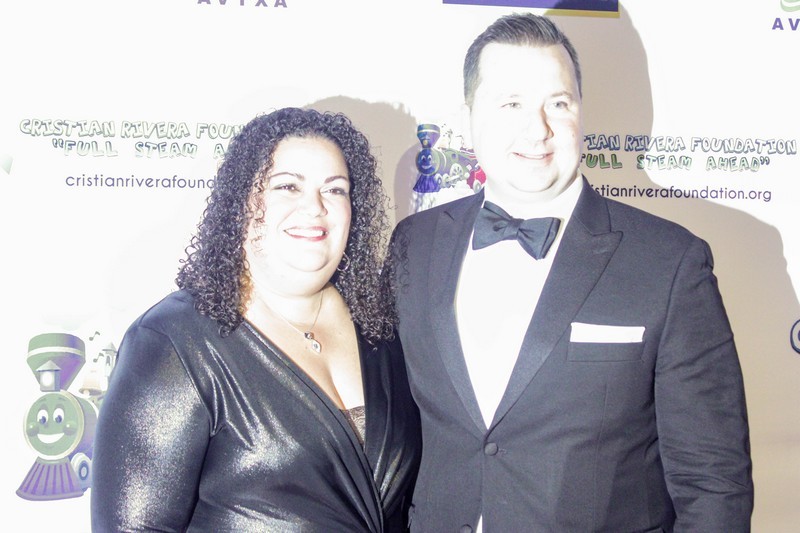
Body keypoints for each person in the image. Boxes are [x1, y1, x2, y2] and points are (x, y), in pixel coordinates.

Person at [387, 13, 753, 532]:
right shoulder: (413, 245)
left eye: (558, 104)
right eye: (511, 104)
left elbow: (714, 484)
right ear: (468, 118)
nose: (537, 129)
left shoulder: (669, 263)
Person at [92, 107, 421, 532]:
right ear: (242, 202)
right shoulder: (174, 340)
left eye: (335, 189)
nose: (315, 207)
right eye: (288, 186)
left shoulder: (380, 327)